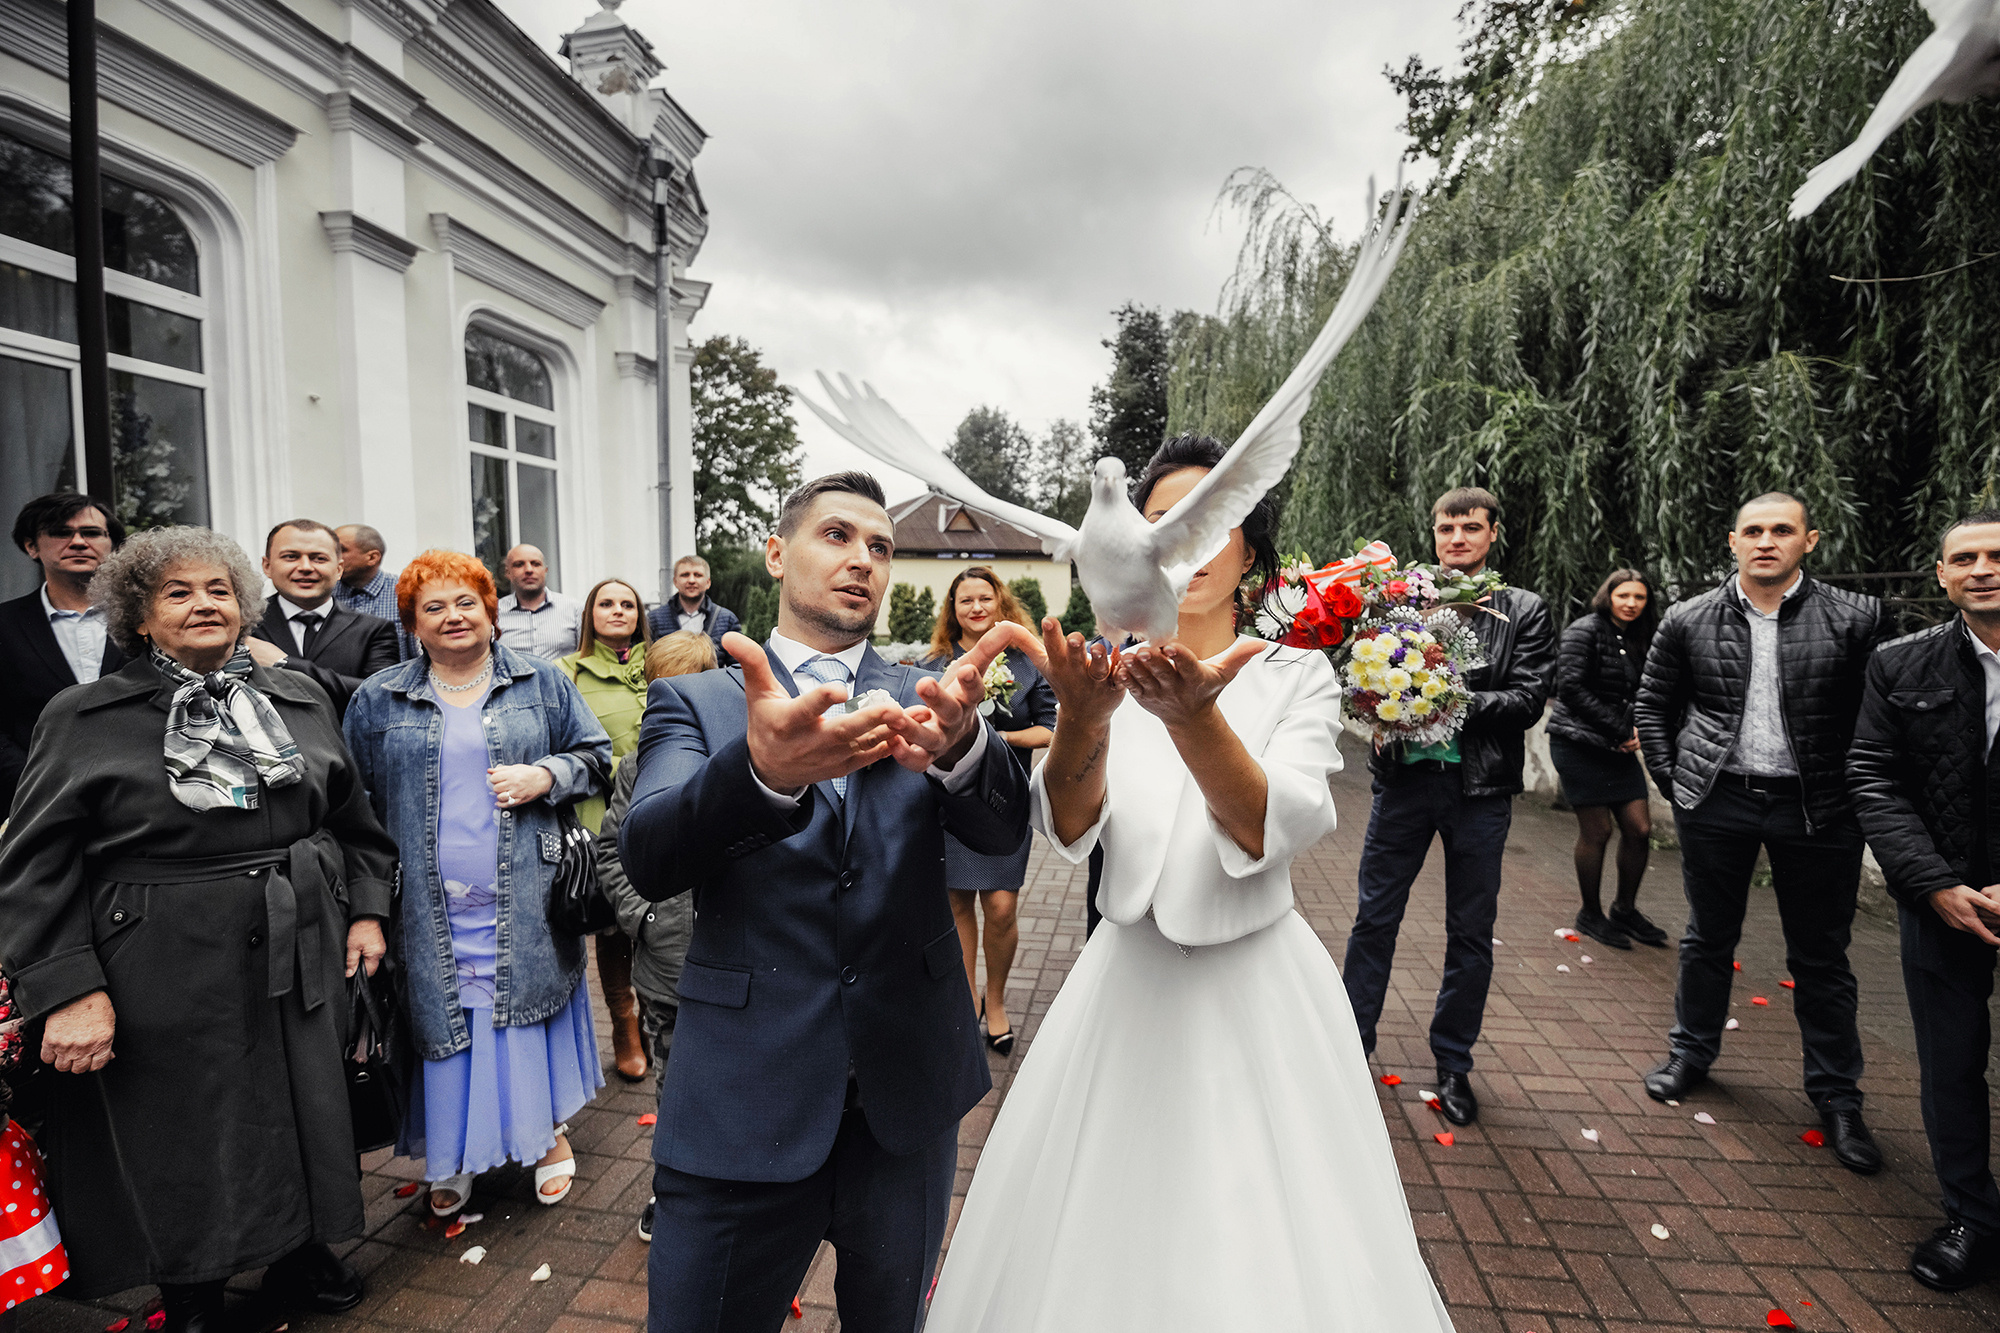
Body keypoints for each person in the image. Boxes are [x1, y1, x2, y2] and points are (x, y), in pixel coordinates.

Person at [927, 434, 1451, 1330]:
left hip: (1258, 987)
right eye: (1160, 520)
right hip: (1124, 981)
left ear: (1250, 545)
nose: (1187, 542)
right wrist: (1085, 722)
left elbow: (1268, 826)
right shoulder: (1100, 672)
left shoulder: (1294, 674)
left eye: (1216, 520)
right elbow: (1071, 825)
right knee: (1091, 1222)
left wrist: (1194, 718)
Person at [619, 471, 1029, 1333]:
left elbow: (1000, 834)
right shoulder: (699, 699)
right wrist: (760, 773)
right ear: (776, 553)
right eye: (836, 536)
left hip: (905, 1099)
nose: (863, 561)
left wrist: (965, 748)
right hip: (744, 1093)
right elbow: (650, 854)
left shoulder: (929, 694)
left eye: (880, 546)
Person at [0, 526, 398, 1332]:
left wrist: (364, 908)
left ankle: (298, 1250)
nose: (203, 603)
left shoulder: (299, 696)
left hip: (299, 934)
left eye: (218, 589)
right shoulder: (84, 715)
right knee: (185, 1126)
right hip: (158, 952)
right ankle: (192, 1286)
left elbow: (354, 816)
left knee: (303, 1103)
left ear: (244, 605)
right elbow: (30, 863)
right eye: (178, 592)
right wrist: (69, 986)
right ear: (138, 617)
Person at [342, 550, 612, 1219]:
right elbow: (355, 807)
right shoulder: (379, 698)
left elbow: (597, 757)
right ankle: (457, 1150)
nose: (452, 616)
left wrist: (545, 774)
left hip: (525, 892)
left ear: (491, 611)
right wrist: (368, 901)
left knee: (519, 1008)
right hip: (427, 903)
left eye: (466, 601)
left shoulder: (543, 682)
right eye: (433, 606)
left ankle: (543, 1136)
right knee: (444, 1016)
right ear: (411, 623)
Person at [1635, 492, 1889, 1171]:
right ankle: (1691, 1053)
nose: (1767, 541)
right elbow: (1653, 703)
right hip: (1718, 800)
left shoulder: (1856, 616)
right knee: (1708, 936)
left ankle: (1837, 1095)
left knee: (1821, 956)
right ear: (1733, 540)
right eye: (1754, 530)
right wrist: (1675, 782)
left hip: (1820, 808)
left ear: (1809, 539)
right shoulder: (1689, 617)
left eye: (1782, 530)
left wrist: (1856, 794)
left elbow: (1877, 719)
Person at [1339, 486, 1555, 1126]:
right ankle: (1352, 1051)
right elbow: (1363, 675)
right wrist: (1378, 704)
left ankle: (1454, 1065)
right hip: (1404, 786)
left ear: (1492, 535)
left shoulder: (1524, 610)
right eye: (1445, 528)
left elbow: (1528, 700)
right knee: (1374, 921)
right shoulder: (1399, 600)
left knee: (1469, 934)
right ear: (1432, 534)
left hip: (1480, 794)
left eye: (1470, 527)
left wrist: (1446, 701)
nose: (1457, 538)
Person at [1848, 509, 2000, 1291]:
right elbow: (1874, 774)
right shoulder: (1900, 664)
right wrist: (1932, 882)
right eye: (1963, 557)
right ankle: (1972, 1215)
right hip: (1939, 894)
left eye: (1996, 553)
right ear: (1941, 576)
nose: (1982, 567)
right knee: (1951, 1062)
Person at [597, 629, 714, 1244]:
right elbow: (610, 850)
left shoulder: (747, 751)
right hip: (667, 963)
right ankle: (672, 1190)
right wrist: (642, 916)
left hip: (736, 959)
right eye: (665, 692)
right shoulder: (637, 766)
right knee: (674, 1083)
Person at [920, 566, 1058, 1055]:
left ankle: (994, 1000)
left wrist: (994, 739)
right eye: (965, 601)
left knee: (1000, 907)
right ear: (952, 609)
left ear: (1000, 603)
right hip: (951, 802)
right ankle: (961, 1003)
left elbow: (1050, 727)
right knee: (957, 907)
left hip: (1004, 801)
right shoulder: (935, 662)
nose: (976, 608)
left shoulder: (1025, 662)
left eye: (984, 598)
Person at [558, 577, 655, 1083]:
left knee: (668, 919)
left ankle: (661, 1016)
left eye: (627, 604)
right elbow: (567, 749)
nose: (618, 611)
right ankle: (624, 1026)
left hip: (667, 812)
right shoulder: (566, 673)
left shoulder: (662, 664)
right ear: (589, 615)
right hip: (603, 816)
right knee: (615, 926)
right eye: (606, 603)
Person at [1547, 568, 1668, 950]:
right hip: (1578, 743)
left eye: (1640, 598)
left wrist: (1636, 731)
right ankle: (1590, 912)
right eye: (1624, 596)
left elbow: (1647, 690)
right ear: (1608, 596)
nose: (1631, 604)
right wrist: (1620, 730)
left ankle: (1625, 909)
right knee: (1597, 831)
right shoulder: (1585, 630)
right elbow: (1571, 688)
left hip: (1618, 745)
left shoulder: (1643, 636)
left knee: (1639, 828)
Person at [0, 493, 127, 813]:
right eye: (60, 532)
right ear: (31, 546)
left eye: (92, 533)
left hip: (137, 802)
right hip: (32, 804)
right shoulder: (5, 625)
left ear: (111, 544)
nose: (78, 542)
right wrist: (33, 785)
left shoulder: (148, 622)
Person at [247, 520, 401, 717]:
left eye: (318, 558)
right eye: (290, 557)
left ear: (338, 569)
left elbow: (380, 697)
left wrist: (284, 664)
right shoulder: (244, 626)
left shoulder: (373, 630)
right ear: (267, 566)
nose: (305, 567)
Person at [334, 523, 415, 660]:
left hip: (392, 679)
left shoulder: (405, 592)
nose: (332, 556)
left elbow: (418, 656)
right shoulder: (323, 594)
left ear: (372, 557)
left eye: (341, 550)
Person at [496, 544, 581, 660]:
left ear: (545, 570)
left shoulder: (574, 609)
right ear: (508, 573)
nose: (529, 570)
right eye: (519, 565)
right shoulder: (495, 613)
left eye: (535, 564)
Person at [644, 554, 741, 648]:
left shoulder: (727, 620)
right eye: (685, 575)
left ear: (708, 582)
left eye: (698, 575)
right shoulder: (654, 620)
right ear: (675, 582)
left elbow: (738, 662)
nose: (691, 580)